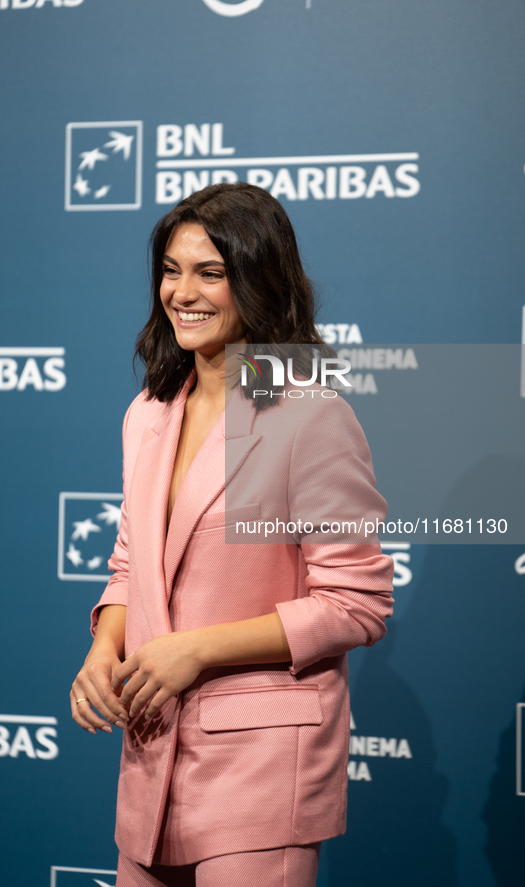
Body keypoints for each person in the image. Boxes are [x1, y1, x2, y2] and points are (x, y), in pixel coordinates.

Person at [70, 183, 394, 887]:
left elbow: (356, 602)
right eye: (170, 269)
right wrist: (103, 647)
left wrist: (196, 649)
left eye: (209, 273)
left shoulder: (310, 417)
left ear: (258, 279)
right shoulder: (148, 412)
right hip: (151, 755)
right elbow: (131, 563)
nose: (181, 292)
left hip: (259, 770)